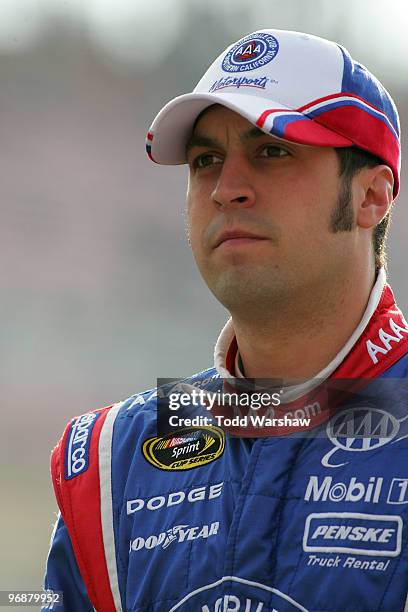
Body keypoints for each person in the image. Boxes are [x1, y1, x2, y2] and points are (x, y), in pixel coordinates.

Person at [42, 29, 408, 611]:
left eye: (272, 151)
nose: (226, 189)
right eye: (206, 160)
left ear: (372, 196)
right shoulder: (112, 460)